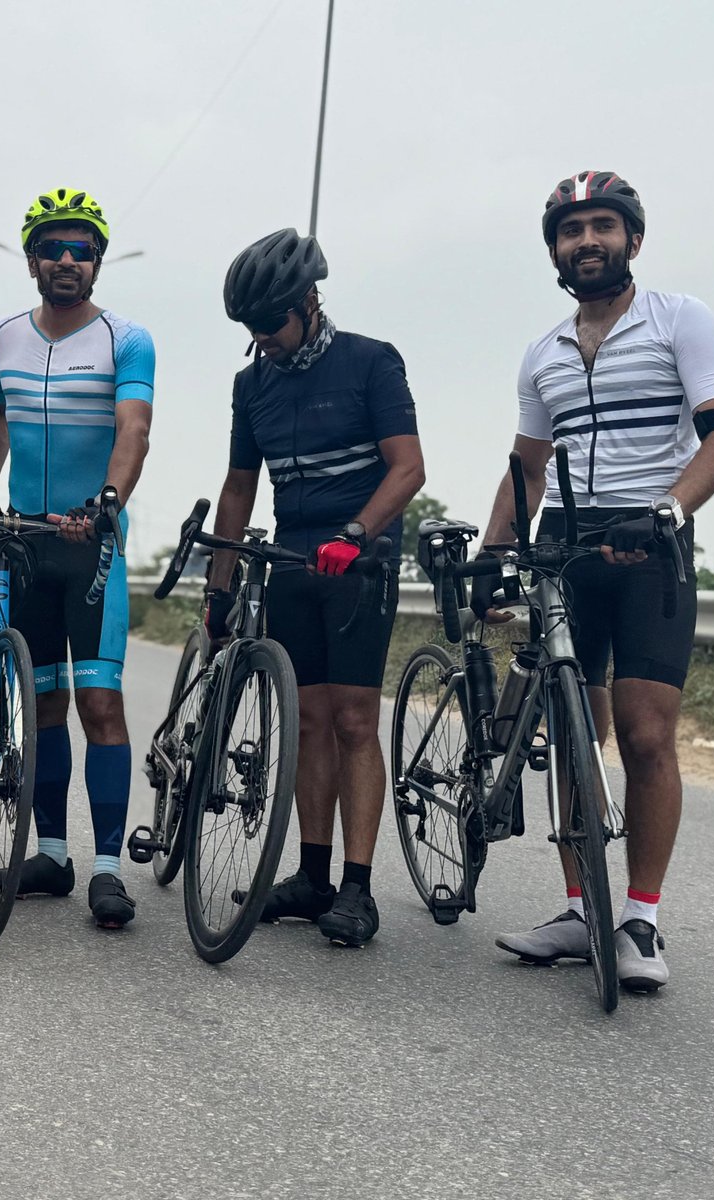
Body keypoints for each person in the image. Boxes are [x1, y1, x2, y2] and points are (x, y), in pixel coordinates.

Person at [480, 172, 714, 991]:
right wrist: (494, 551)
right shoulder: (544, 352)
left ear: (631, 237)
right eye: (570, 231)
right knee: (568, 726)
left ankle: (640, 920)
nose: (586, 241)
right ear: (555, 249)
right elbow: (527, 466)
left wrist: (664, 512)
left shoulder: (680, 320)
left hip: (648, 542)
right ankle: (577, 908)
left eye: (602, 226)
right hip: (565, 544)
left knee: (645, 733)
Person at [206, 228, 425, 947]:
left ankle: (358, 890)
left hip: (359, 556)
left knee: (355, 719)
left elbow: (407, 469)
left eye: (271, 324)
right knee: (306, 721)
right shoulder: (253, 384)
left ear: (308, 301)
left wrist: (357, 533)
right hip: (293, 558)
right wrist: (221, 585)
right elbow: (240, 487)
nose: (261, 339)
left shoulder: (372, 362)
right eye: (250, 329)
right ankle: (312, 875)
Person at [0, 187, 154, 930]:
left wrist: (106, 502)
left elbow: (134, 428)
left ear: (99, 261)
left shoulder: (125, 339)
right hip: (24, 539)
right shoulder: (4, 337)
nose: (67, 259)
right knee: (41, 703)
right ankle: (51, 852)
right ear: (33, 260)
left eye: (82, 248)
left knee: (97, 702)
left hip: (90, 545)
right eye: (54, 247)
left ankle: (107, 867)